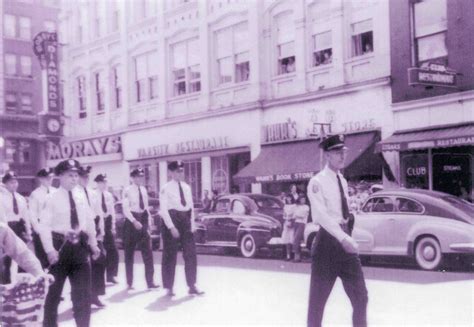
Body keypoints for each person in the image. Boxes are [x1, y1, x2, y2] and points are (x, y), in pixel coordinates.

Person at [307, 134, 368, 327]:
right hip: (327, 245)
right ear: (326, 155)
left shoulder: (342, 180)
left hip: (345, 243)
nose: (342, 156)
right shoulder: (317, 182)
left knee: (361, 297)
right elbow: (321, 216)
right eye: (336, 152)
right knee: (317, 304)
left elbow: (343, 212)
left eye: (343, 151)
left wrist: (348, 228)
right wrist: (343, 238)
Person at [38, 159, 101, 327]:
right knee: (53, 295)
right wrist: (50, 250)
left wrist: (93, 244)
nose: (74, 179)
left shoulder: (81, 195)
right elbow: (43, 226)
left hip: (80, 249)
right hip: (59, 249)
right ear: (59, 176)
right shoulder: (51, 198)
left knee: (83, 295)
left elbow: (89, 220)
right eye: (69, 175)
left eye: (76, 175)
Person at [160, 161, 204, 297]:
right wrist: (171, 227)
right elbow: (163, 210)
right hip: (172, 219)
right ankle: (169, 287)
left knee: (190, 254)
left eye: (181, 171)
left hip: (185, 220)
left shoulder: (186, 187)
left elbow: (190, 207)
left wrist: (192, 225)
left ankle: (192, 285)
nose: (180, 174)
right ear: (171, 173)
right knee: (170, 255)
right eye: (177, 171)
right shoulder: (165, 188)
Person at [122, 168, 158, 290]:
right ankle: (129, 282)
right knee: (129, 253)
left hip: (142, 219)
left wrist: (149, 219)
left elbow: (146, 206)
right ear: (132, 178)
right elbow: (125, 209)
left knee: (148, 252)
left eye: (141, 176)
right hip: (131, 221)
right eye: (137, 176)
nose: (139, 179)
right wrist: (134, 221)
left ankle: (150, 281)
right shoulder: (127, 190)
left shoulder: (143, 190)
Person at [78, 166, 106, 308]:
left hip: (94, 229)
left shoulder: (93, 193)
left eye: (87, 177)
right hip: (81, 232)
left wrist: (101, 229)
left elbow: (99, 212)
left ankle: (95, 295)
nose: (86, 179)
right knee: (83, 265)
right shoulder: (75, 193)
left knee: (99, 260)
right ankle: (81, 298)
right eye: (83, 176)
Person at [1, 171, 32, 284]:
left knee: (23, 257)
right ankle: (6, 286)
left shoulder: (20, 198)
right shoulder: (1, 198)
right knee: (7, 259)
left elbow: (26, 216)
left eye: (15, 182)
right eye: (11, 183)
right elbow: (2, 217)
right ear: (5, 184)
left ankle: (22, 284)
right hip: (7, 228)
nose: (14, 185)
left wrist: (28, 231)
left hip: (19, 228)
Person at [94, 174, 119, 284]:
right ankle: (97, 277)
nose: (104, 185)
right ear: (98, 183)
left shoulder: (109, 195)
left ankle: (111, 275)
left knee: (113, 251)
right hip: (97, 223)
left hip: (108, 223)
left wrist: (113, 226)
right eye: (102, 182)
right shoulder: (93, 195)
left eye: (106, 182)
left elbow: (112, 211)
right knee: (99, 251)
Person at [29, 168, 56, 268]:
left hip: (55, 229)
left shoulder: (56, 192)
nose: (50, 179)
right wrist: (38, 230)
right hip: (41, 229)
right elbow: (32, 215)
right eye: (47, 178)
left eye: (51, 177)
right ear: (41, 179)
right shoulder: (35, 194)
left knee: (56, 259)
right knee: (43, 260)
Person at [292, 195, 310, 262]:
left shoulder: (306, 207)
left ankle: (297, 257)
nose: (303, 200)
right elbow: (294, 215)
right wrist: (297, 215)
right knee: (296, 239)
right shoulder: (296, 206)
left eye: (304, 199)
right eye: (302, 199)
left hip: (302, 223)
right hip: (296, 223)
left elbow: (303, 215)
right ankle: (297, 256)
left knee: (296, 238)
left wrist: (297, 215)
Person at [281, 196, 296, 261]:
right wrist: (285, 219)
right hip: (286, 223)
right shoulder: (285, 206)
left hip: (292, 222)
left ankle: (293, 254)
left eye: (290, 198)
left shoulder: (294, 206)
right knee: (287, 240)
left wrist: (292, 222)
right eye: (287, 198)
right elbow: (284, 215)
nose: (289, 199)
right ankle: (288, 255)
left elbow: (294, 215)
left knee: (292, 239)